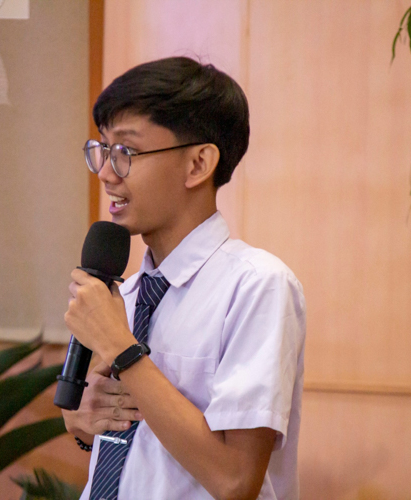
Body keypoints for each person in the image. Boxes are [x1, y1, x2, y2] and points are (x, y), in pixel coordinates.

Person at [63, 56, 305, 500]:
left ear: (198, 164)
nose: (104, 173)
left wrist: (122, 349)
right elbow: (144, 458)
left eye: (126, 153)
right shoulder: (127, 294)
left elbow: (236, 481)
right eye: (101, 150)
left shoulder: (257, 286)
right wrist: (85, 423)